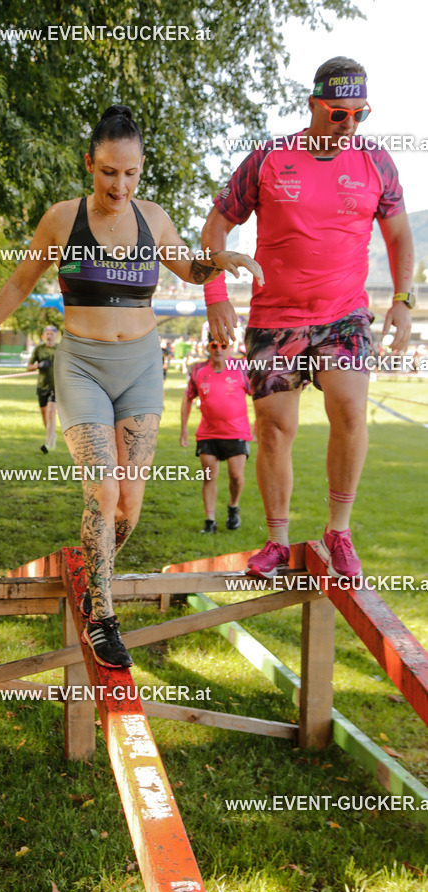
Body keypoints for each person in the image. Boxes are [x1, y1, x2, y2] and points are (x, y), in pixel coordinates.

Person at [0, 104, 263, 667]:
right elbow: (21, 280)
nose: (120, 185)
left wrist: (222, 259)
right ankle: (103, 613)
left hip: (143, 367)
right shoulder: (61, 220)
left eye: (131, 173)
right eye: (108, 172)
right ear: (89, 165)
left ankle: (94, 564)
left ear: (141, 170)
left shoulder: (154, 218)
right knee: (103, 491)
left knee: (130, 507)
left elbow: (190, 269)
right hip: (83, 367)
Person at [201, 57, 413, 579]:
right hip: (274, 318)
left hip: (343, 316)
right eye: (338, 113)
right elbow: (216, 224)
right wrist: (215, 294)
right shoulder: (269, 158)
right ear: (314, 104)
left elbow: (402, 236)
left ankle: (338, 532)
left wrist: (403, 300)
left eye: (360, 114)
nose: (349, 125)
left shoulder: (377, 162)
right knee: (274, 429)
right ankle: (276, 541)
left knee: (349, 410)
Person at [180, 334, 251, 533]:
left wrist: (260, 424)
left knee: (236, 476)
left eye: (223, 345)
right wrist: (183, 429)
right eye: (214, 344)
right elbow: (187, 399)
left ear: (230, 347)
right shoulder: (199, 370)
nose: (218, 349)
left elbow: (257, 395)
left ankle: (233, 506)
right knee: (209, 477)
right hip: (208, 434)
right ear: (207, 346)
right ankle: (210, 520)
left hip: (237, 432)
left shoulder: (241, 368)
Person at [27, 324, 59, 452]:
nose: (49, 336)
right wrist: (39, 365)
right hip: (42, 386)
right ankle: (51, 435)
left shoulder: (61, 349)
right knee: (45, 416)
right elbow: (28, 367)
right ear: (43, 336)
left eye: (52, 334)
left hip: (56, 386)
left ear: (56, 336)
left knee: (51, 412)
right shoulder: (39, 349)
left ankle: (47, 443)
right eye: (47, 334)